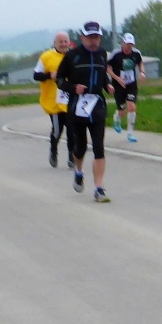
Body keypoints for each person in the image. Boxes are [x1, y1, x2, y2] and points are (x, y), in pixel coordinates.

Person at [56, 21, 115, 203]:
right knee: (80, 146)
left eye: (96, 37)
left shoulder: (102, 54)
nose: (93, 41)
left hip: (97, 104)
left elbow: (102, 74)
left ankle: (99, 188)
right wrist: (73, 87)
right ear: (82, 37)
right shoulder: (72, 56)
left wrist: (107, 85)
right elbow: (59, 79)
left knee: (99, 146)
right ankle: (79, 171)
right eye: (90, 37)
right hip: (77, 106)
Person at [33, 32, 74, 168]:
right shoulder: (46, 57)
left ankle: (72, 157)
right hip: (53, 100)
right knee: (57, 129)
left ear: (69, 42)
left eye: (65, 41)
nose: (63, 44)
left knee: (72, 129)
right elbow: (36, 75)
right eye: (60, 42)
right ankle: (53, 150)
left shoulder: (73, 56)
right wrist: (49, 75)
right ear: (55, 43)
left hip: (69, 98)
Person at [107, 32, 145, 142]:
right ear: (122, 43)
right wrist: (117, 78)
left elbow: (140, 63)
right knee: (122, 111)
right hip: (118, 85)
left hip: (131, 84)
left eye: (131, 44)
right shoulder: (116, 54)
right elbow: (108, 68)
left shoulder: (136, 53)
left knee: (132, 107)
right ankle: (117, 117)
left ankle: (130, 133)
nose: (129, 46)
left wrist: (142, 72)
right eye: (127, 44)